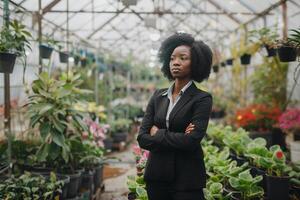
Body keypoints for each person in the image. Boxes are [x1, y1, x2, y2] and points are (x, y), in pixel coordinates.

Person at [137, 32, 213, 200]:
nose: (176, 62)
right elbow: (142, 138)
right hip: (157, 177)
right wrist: (179, 136)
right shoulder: (158, 96)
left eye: (183, 58)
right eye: (172, 58)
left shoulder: (202, 99)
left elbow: (192, 141)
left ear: (196, 63)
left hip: (187, 180)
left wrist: (158, 133)